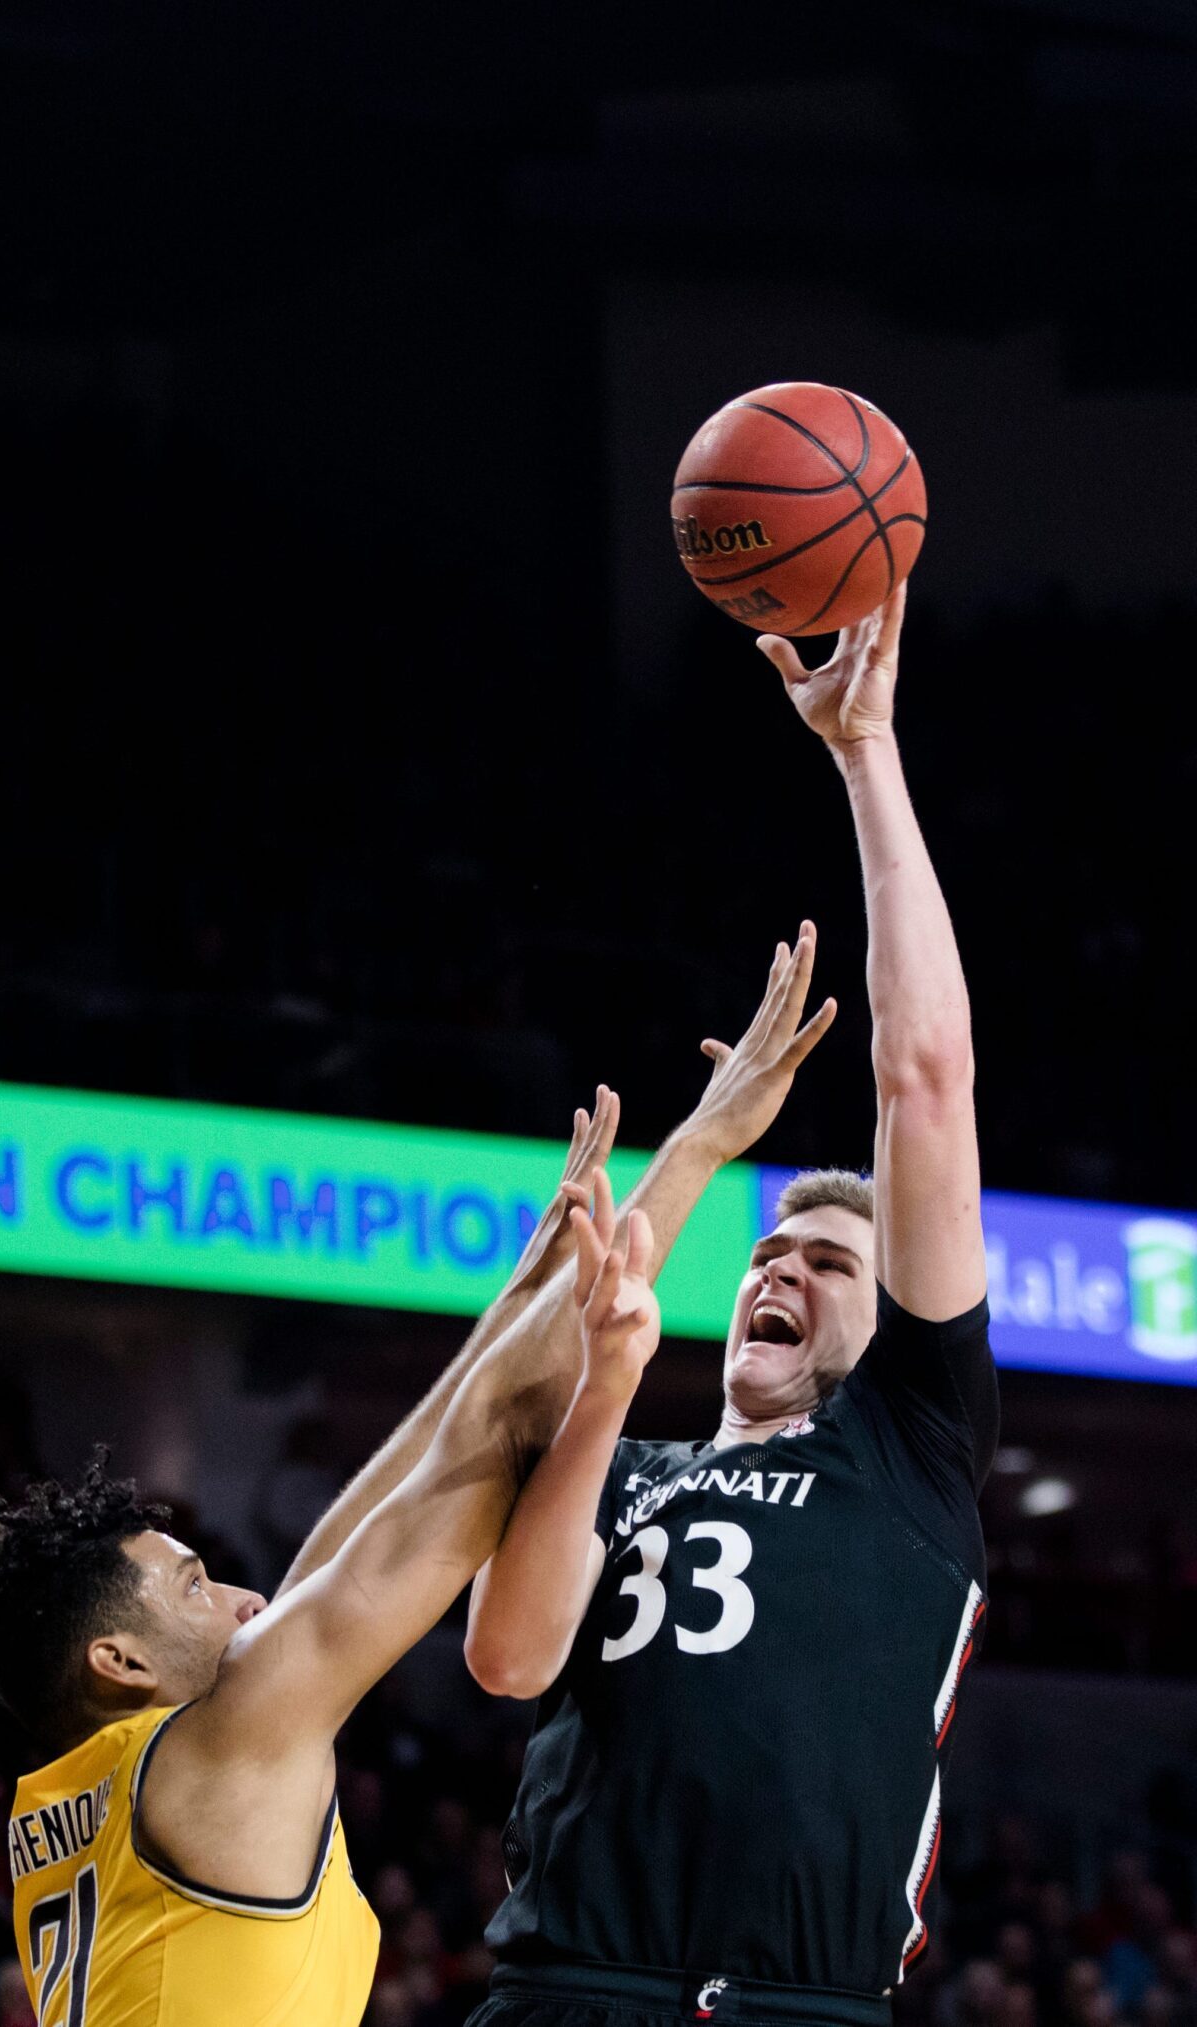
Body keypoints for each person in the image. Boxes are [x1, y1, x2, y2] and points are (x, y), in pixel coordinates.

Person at [0, 915, 840, 2027]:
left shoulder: (87, 1796)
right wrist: (703, 1144)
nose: (242, 1593)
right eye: (191, 1587)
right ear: (119, 1656)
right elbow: (504, 1441)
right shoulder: (222, 1743)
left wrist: (517, 1304)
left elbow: (354, 1536)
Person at [463, 588, 997, 2026]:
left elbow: (925, 1074)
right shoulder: (621, 1462)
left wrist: (865, 751)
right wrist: (603, 1387)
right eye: (774, 1251)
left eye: (832, 1263)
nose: (782, 1268)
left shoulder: (906, 1447)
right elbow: (508, 1656)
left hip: (800, 2002)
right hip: (571, 1986)